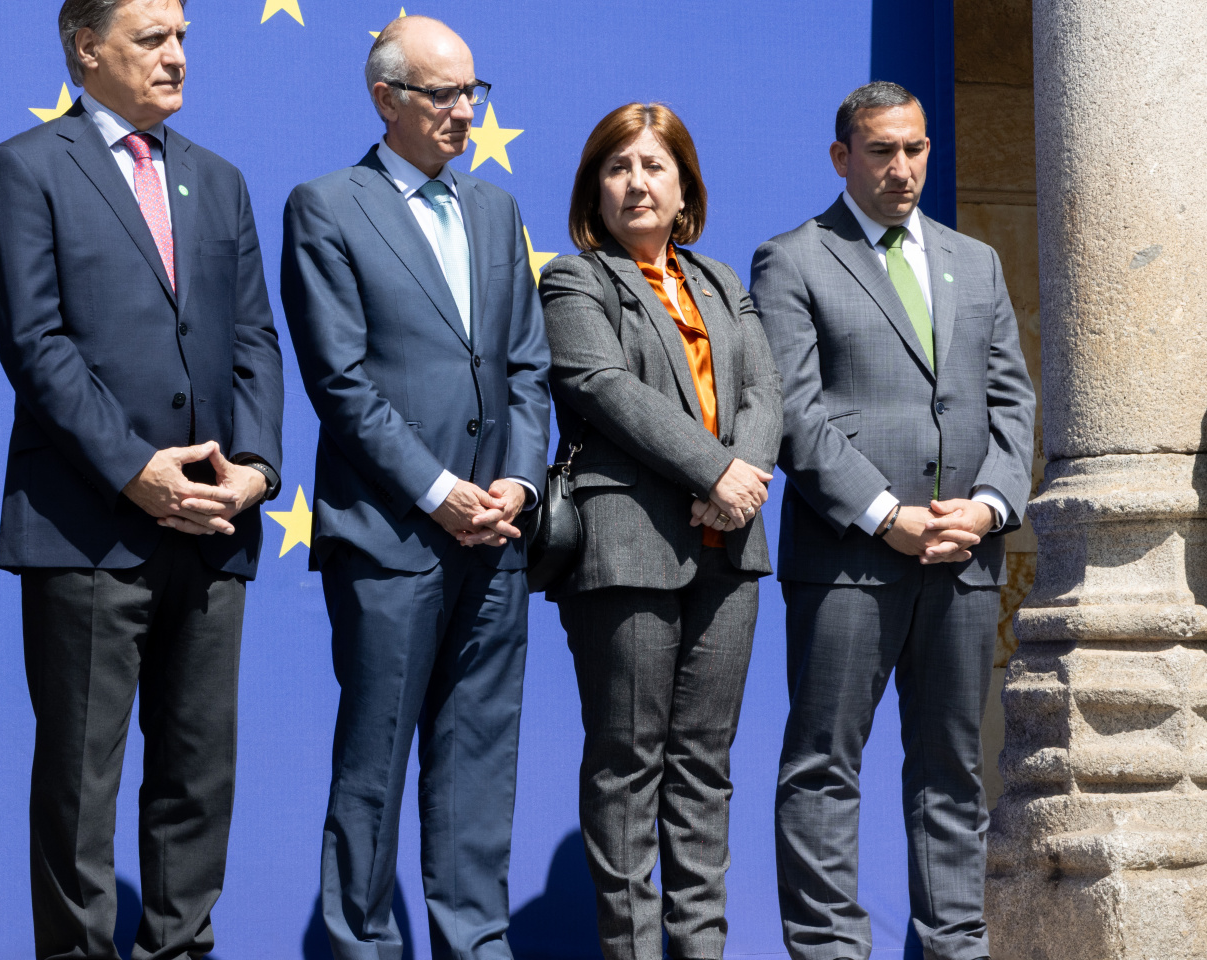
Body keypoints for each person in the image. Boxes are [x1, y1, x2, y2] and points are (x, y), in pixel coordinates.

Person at [0, 0, 285, 956]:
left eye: (183, 36)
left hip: (214, 522)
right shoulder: (26, 169)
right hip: (87, 528)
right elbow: (35, 344)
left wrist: (260, 470)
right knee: (81, 783)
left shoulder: (217, 179)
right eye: (152, 38)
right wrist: (134, 468)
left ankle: (182, 947)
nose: (176, 55)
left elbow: (251, 341)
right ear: (85, 48)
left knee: (198, 775)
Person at [280, 16, 551, 959]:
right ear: (385, 98)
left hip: (497, 537)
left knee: (478, 768)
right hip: (392, 536)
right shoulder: (326, 205)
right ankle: (361, 945)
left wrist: (516, 482)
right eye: (443, 95)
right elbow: (339, 380)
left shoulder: (494, 210)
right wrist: (437, 490)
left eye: (474, 93)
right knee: (374, 766)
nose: (464, 113)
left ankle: (475, 946)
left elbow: (525, 366)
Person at [751, 81, 1035, 960]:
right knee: (824, 766)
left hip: (963, 558)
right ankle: (831, 950)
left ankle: (955, 945)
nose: (903, 168)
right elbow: (797, 414)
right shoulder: (792, 259)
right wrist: (887, 516)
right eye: (882, 151)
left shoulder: (974, 262)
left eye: (914, 149)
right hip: (848, 561)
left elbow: (1011, 402)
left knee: (951, 772)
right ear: (843, 157)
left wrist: (986, 509)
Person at [538, 103, 783, 960]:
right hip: (628, 550)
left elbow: (763, 394)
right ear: (594, 191)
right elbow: (602, 385)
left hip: (730, 550)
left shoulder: (722, 281)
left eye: (654, 166)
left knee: (706, 769)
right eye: (617, 167)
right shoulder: (575, 280)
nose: (636, 182)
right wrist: (713, 472)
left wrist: (740, 485)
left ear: (685, 188)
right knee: (627, 764)